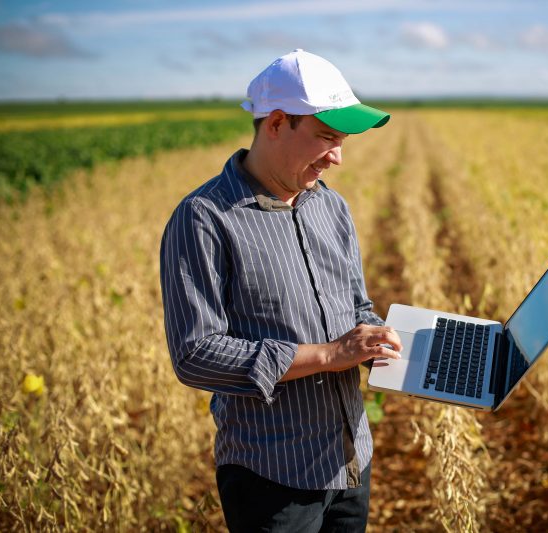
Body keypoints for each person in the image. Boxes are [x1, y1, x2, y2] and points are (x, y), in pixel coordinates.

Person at [159, 49, 403, 532]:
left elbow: (355, 303)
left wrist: (380, 342)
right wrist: (330, 354)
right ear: (275, 123)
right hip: (271, 479)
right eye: (327, 138)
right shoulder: (204, 218)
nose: (338, 156)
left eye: (343, 140)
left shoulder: (330, 207)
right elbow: (195, 354)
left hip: (351, 461)